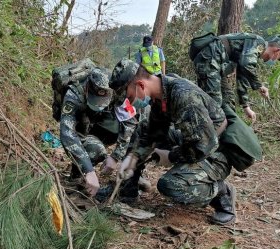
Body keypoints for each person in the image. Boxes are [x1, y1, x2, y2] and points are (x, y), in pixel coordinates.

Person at [102, 59, 262, 225]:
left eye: (129, 96)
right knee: (143, 127)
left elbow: (203, 147)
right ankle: (128, 189)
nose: (130, 102)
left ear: (141, 85)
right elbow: (153, 132)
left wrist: (170, 156)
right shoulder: (161, 93)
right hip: (195, 138)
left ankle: (222, 193)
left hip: (217, 150)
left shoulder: (183, 96)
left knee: (170, 185)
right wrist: (134, 157)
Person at [60, 67, 140, 197]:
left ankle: (130, 183)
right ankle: (76, 177)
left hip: (97, 123)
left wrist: (116, 157)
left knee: (137, 129)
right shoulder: (73, 95)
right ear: (87, 89)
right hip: (79, 126)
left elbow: (130, 121)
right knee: (95, 149)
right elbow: (67, 134)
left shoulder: (116, 89)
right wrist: (89, 170)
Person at [191, 33, 280, 121]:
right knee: (214, 105)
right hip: (209, 61)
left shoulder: (253, 53)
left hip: (214, 65)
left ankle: (228, 135)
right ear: (278, 51)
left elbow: (242, 75)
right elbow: (246, 64)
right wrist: (259, 86)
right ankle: (204, 137)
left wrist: (246, 107)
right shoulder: (258, 43)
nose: (276, 60)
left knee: (228, 100)